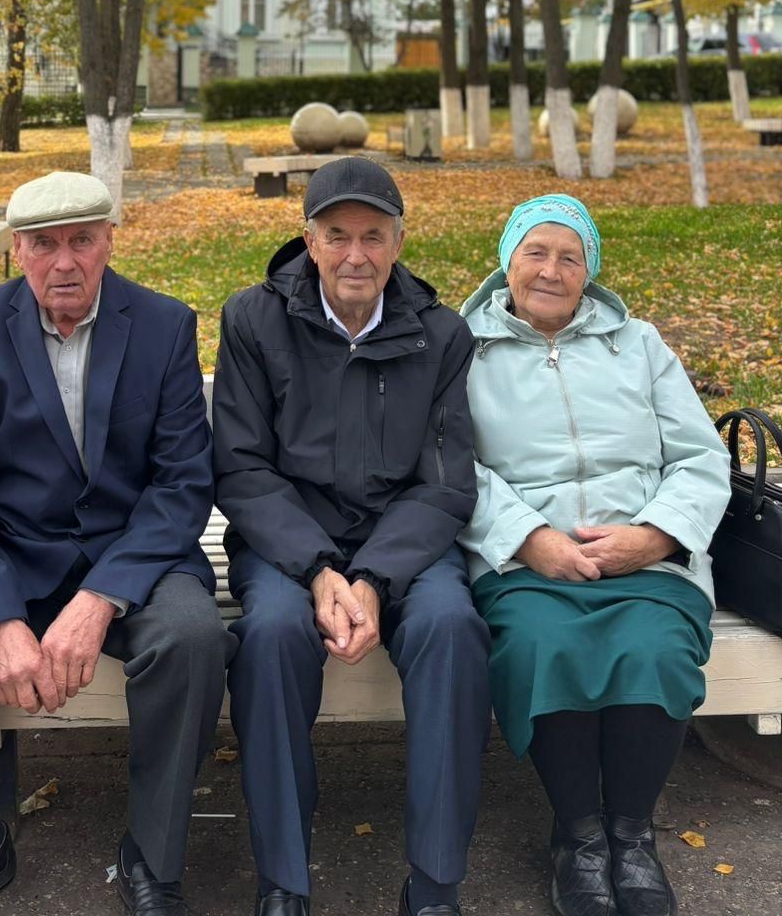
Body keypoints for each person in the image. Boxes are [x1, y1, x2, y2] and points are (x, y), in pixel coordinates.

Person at [0, 171, 231, 916]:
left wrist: (101, 598)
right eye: (43, 245)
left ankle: (152, 857)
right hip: (12, 554)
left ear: (107, 243)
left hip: (133, 556)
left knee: (194, 639)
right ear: (19, 252)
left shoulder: (163, 324)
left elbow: (181, 485)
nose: (64, 263)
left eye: (81, 241)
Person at [213, 155, 490, 916]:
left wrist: (370, 578)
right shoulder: (253, 319)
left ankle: (434, 885)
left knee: (450, 628)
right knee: (269, 635)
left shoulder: (440, 334)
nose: (355, 255)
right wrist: (319, 571)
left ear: (398, 243)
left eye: (373, 236)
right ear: (309, 241)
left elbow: (444, 482)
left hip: (401, 542)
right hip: (289, 539)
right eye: (338, 235)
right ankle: (284, 880)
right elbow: (239, 469)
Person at [458, 194, 730, 916]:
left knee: (655, 648)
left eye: (570, 257)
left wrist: (655, 535)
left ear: (591, 271)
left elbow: (702, 459)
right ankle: (577, 835)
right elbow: (449, 466)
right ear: (507, 260)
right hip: (528, 560)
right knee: (540, 645)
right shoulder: (461, 347)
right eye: (535, 253)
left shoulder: (638, 343)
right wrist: (528, 539)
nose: (551, 270)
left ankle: (632, 834)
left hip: (644, 552)